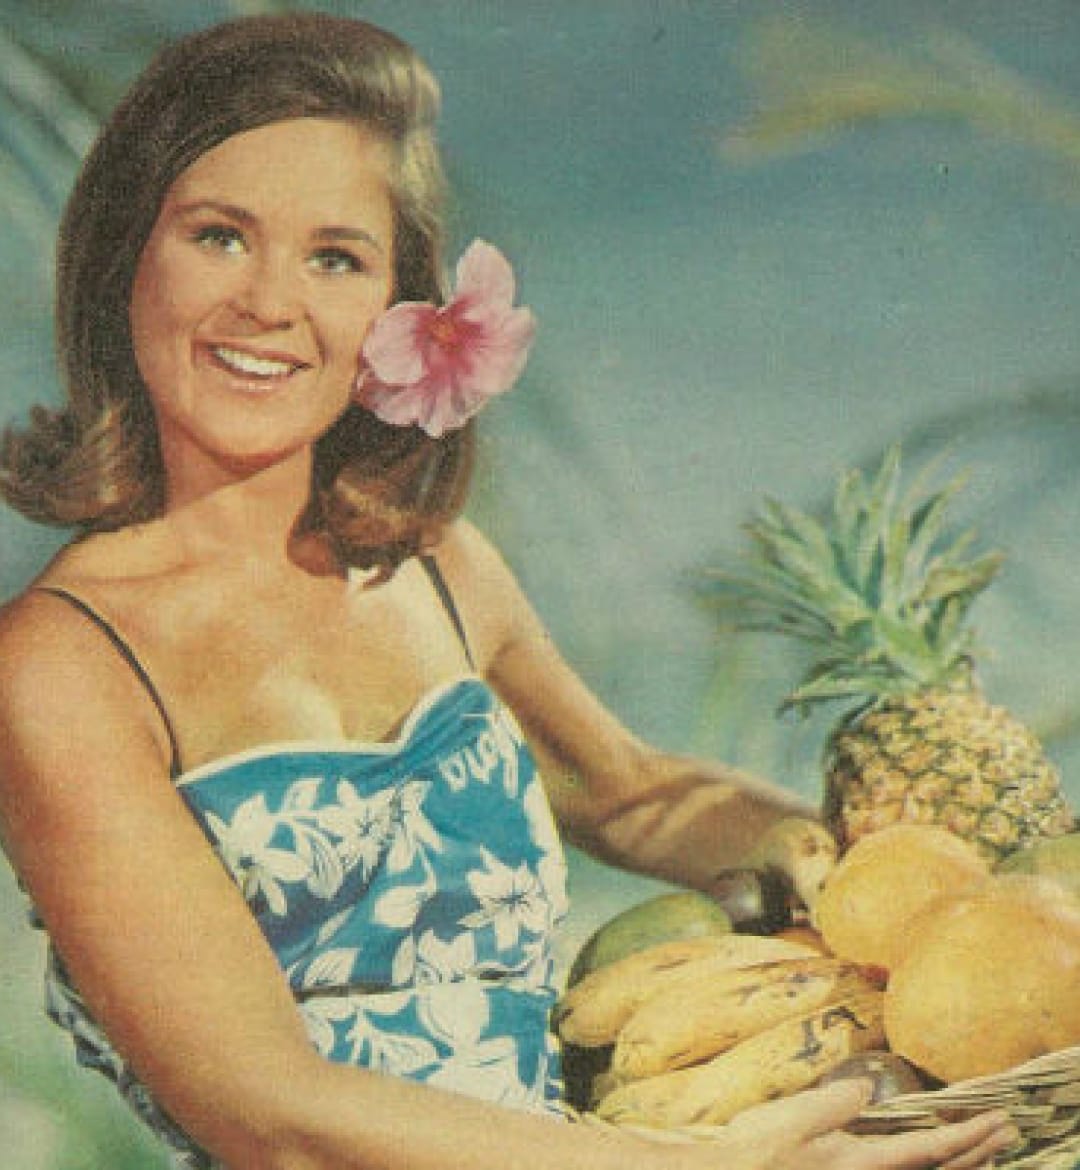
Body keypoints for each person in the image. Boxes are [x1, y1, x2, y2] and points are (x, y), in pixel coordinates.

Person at [0, 13, 1017, 1170]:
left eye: (335, 258)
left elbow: (634, 796)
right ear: (124, 255)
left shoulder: (438, 567)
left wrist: (937, 886)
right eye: (220, 236)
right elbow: (269, 1113)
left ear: (401, 309)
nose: (270, 303)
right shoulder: (58, 668)